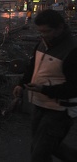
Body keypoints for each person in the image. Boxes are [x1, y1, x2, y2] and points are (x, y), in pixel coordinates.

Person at [12, 9, 77, 162]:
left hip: (61, 109)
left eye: (46, 31)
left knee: (39, 153)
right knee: (41, 146)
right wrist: (21, 84)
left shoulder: (72, 51)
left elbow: (74, 88)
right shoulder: (42, 44)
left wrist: (44, 90)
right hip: (40, 104)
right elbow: (32, 66)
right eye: (40, 31)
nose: (42, 35)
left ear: (60, 28)